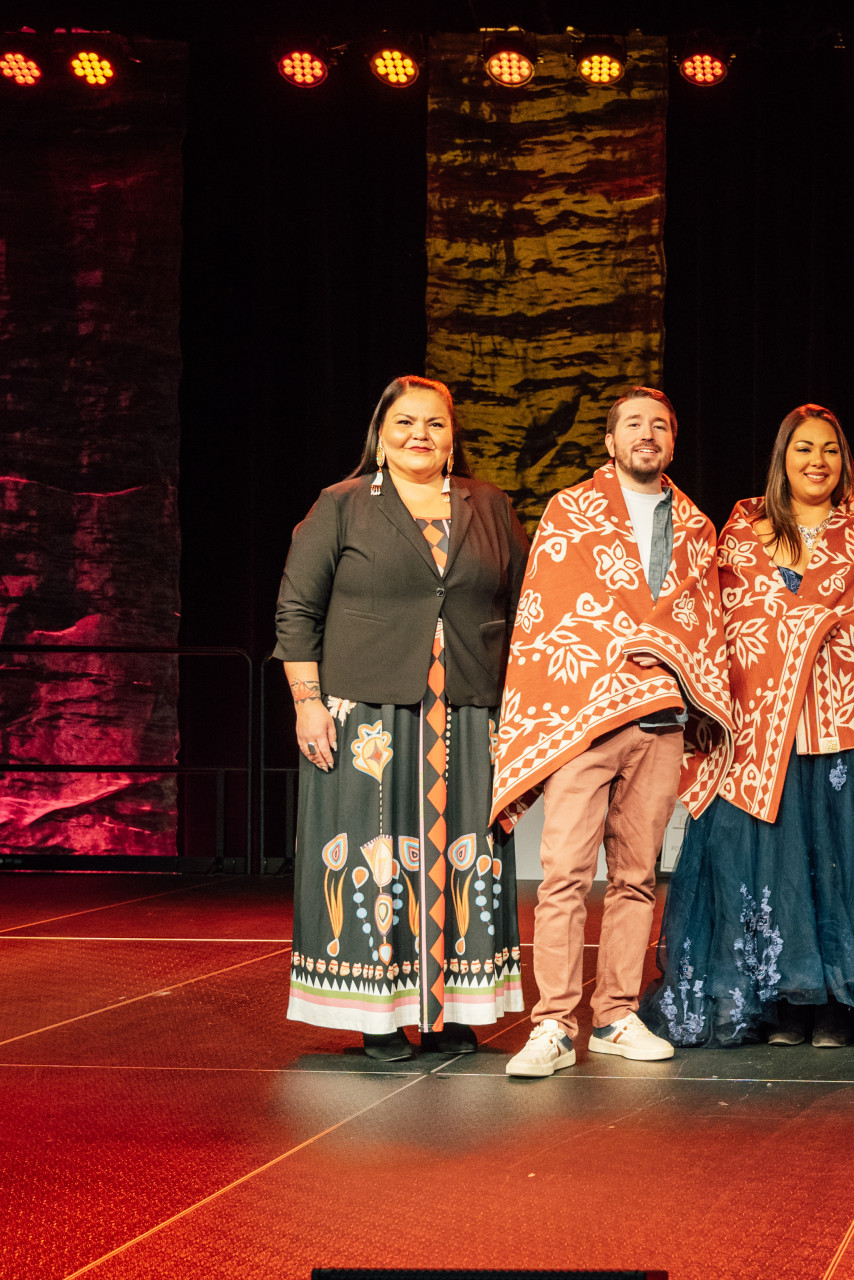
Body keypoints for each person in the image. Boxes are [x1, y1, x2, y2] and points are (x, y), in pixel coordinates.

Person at [638, 405, 854, 1048]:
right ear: (782, 459)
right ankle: (781, 1001)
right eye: (804, 449)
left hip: (845, 727)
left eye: (829, 449)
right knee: (774, 865)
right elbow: (725, 610)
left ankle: (841, 1004)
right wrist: (795, 631)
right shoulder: (744, 528)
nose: (817, 461)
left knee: (844, 860)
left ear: (844, 461)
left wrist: (818, 627)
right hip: (765, 730)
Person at [275, 375, 528, 1060]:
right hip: (370, 718)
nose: (421, 434)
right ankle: (380, 1016)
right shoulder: (342, 504)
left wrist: (521, 711)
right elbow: (297, 611)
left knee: (464, 852)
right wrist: (307, 702)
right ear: (380, 435)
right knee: (378, 854)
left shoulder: (488, 505)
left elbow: (525, 609)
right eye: (405, 422)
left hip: (468, 712)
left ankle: (454, 1012)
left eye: (435, 423)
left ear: (452, 437)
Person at [488, 387, 734, 1078]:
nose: (646, 434)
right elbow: (548, 615)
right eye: (633, 424)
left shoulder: (696, 526)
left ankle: (616, 1016)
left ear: (673, 443)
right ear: (610, 440)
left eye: (659, 425)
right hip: (585, 720)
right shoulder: (571, 510)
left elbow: (703, 621)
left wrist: (671, 664)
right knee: (565, 875)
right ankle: (553, 1025)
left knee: (636, 877)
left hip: (660, 722)